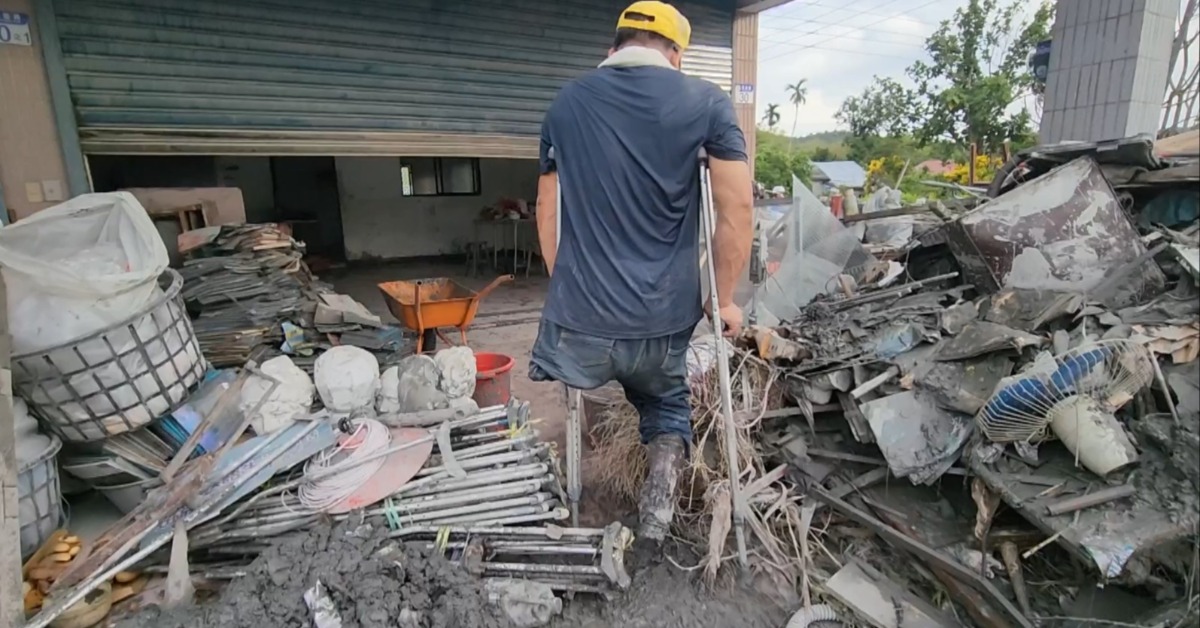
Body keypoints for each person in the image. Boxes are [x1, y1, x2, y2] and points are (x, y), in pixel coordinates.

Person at [529, 1, 753, 543]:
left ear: (613, 49)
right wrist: (722, 299)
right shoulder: (706, 102)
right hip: (662, 321)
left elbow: (546, 206)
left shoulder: (565, 104)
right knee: (663, 396)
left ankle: (579, 504)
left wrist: (568, 282)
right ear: (675, 54)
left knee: (592, 379)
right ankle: (666, 462)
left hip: (578, 327)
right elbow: (737, 210)